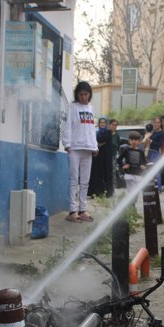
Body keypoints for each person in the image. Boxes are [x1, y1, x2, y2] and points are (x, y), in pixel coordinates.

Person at [62, 81, 98, 222]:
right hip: (75, 149)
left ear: (89, 95)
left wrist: (95, 147)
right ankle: (72, 211)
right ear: (77, 94)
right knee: (73, 180)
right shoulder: (73, 107)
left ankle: (83, 210)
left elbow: (91, 129)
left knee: (85, 181)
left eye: (86, 94)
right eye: (81, 94)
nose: (84, 97)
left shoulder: (90, 108)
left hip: (88, 149)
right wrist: (67, 144)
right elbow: (68, 126)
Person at [88, 117, 115, 198]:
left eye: (104, 122)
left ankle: (106, 192)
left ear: (106, 124)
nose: (102, 124)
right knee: (96, 174)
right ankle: (95, 191)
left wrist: (97, 143)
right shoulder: (96, 132)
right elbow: (96, 140)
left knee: (106, 173)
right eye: (101, 122)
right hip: (97, 156)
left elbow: (101, 140)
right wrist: (98, 143)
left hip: (106, 157)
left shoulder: (108, 132)